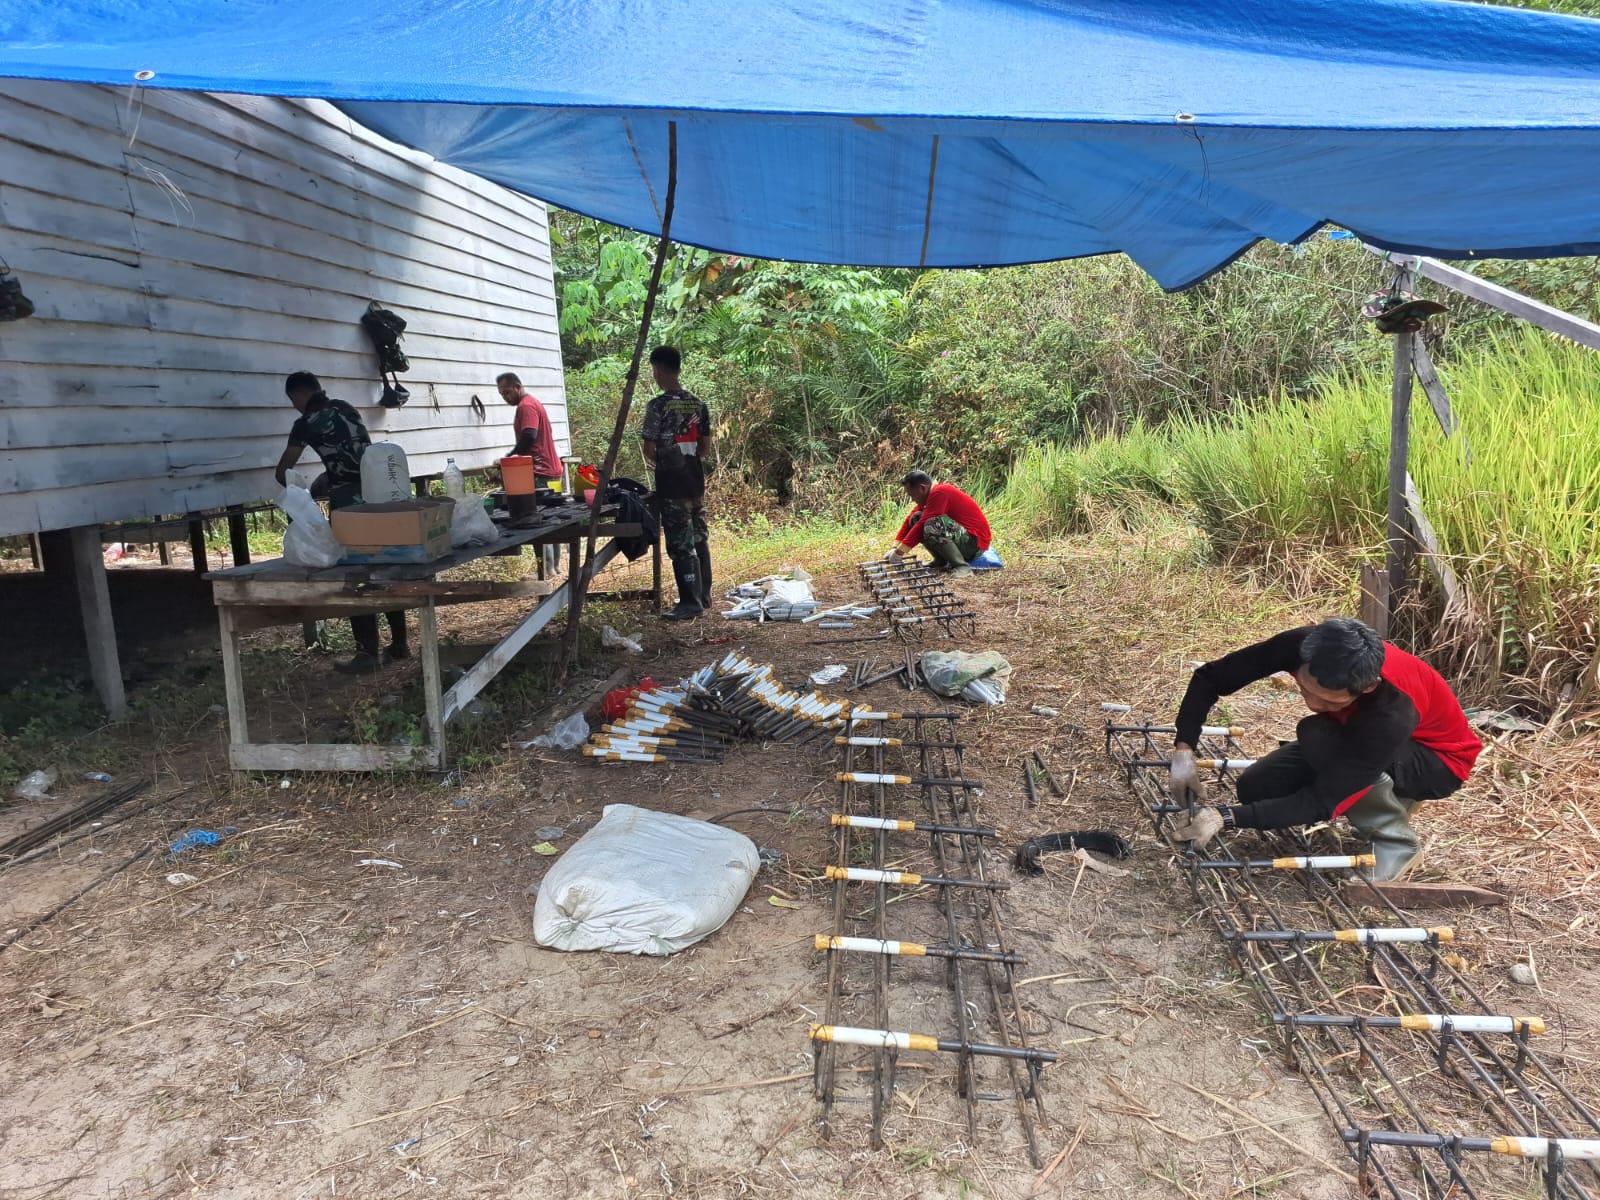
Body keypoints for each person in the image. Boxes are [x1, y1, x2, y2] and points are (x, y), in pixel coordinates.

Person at [1166, 616, 1480, 881]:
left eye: (1330, 701)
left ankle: (1395, 842)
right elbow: (1210, 678)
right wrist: (1184, 751)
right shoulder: (1300, 644)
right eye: (1306, 690)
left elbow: (1324, 801)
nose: (1314, 704)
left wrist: (1225, 817)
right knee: (1256, 788)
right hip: (1347, 735)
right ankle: (1374, 786)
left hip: (1437, 762)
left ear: (1368, 687)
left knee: (1317, 733)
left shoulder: (1393, 712)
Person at [274, 371, 409, 673]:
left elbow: (283, 472)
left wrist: (301, 491)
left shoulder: (305, 424)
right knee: (384, 565)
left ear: (297, 396)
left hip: (348, 502)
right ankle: (400, 644)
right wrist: (330, 474)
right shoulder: (345, 408)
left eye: (293, 400)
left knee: (354, 573)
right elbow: (354, 452)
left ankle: (367, 654)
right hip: (378, 492)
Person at [639, 346, 712, 621]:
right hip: (695, 481)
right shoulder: (698, 404)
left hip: (672, 484)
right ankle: (703, 595)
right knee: (699, 537)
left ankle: (690, 603)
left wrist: (668, 460)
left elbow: (649, 449)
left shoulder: (657, 406)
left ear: (658, 370)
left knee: (680, 542)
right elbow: (705, 448)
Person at [885, 470, 991, 577]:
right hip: (965, 539)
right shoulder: (931, 494)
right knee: (915, 518)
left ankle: (962, 567)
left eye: (912, 495)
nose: (912, 499)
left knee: (932, 524)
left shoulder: (940, 492)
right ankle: (941, 560)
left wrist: (900, 552)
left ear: (922, 488)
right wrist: (895, 547)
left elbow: (922, 524)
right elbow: (911, 519)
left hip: (975, 544)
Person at [496, 372, 562, 487]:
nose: (505, 398)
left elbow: (529, 435)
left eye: (507, 392)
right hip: (550, 471)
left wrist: (510, 457)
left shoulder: (526, 406)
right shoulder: (532, 402)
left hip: (541, 472)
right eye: (502, 394)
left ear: (518, 387)